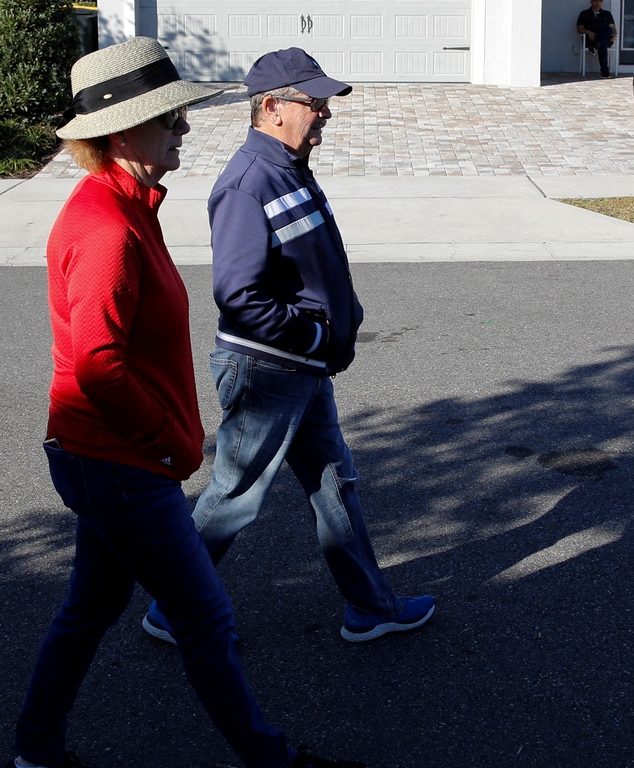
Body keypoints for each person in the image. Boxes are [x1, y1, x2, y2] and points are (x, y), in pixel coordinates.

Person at [0, 37, 368, 768]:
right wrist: (172, 443)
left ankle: (32, 763)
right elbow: (95, 365)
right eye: (170, 118)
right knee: (205, 619)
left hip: (106, 459)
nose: (186, 131)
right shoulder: (105, 226)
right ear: (122, 132)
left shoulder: (128, 206)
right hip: (121, 462)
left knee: (89, 610)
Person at [140, 47, 436, 648]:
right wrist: (317, 334)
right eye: (314, 103)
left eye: (324, 102)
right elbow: (238, 294)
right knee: (235, 495)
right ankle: (172, 609)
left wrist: (336, 321)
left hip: (299, 368)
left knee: (333, 480)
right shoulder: (248, 183)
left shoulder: (288, 166)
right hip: (268, 370)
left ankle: (369, 606)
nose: (325, 113)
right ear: (272, 108)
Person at [575, 0, 616, 78]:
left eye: (600, 0)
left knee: (607, 31)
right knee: (603, 44)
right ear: (591, 1)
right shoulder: (584, 14)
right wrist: (588, 32)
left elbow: (612, 28)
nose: (598, 2)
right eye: (595, 0)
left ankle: (595, 46)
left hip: (603, 40)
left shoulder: (606, 14)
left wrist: (614, 35)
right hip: (590, 39)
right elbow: (579, 28)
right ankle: (605, 72)